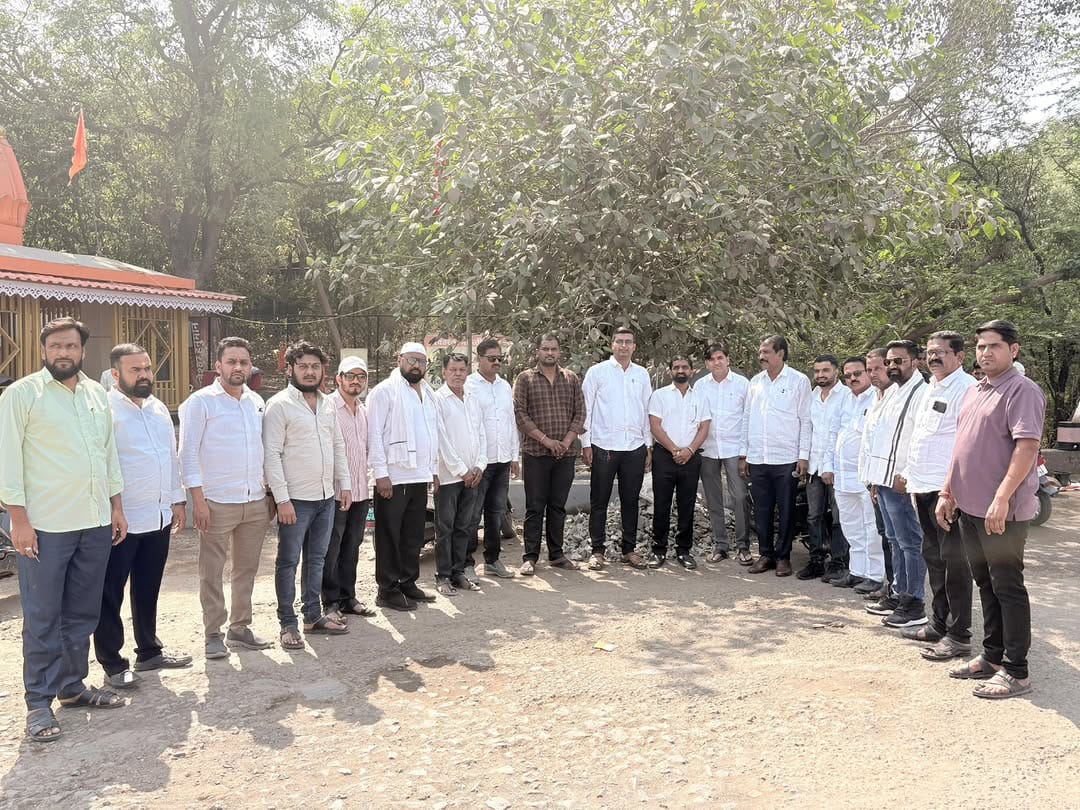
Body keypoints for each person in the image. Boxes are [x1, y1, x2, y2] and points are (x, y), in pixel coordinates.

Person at [0, 317, 128, 742]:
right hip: (45, 527)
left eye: (71, 346)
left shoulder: (96, 394)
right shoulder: (22, 395)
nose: (63, 353)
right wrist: (19, 520)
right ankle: (38, 703)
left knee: (82, 612)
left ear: (82, 350)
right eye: (55, 346)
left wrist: (116, 506)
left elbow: (107, 454)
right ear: (43, 351)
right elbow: (7, 461)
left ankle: (72, 687)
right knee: (42, 615)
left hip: (94, 522)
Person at [937, 320, 1044, 699]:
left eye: (994, 346)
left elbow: (1027, 448)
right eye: (981, 346)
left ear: (1013, 350)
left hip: (1002, 512)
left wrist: (1001, 497)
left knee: (1007, 586)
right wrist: (948, 491)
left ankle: (1017, 670)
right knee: (986, 583)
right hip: (970, 508)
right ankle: (993, 656)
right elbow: (961, 447)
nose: (985, 353)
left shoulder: (1022, 390)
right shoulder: (975, 390)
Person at [94, 344, 191, 691]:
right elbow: (101, 464)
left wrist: (177, 500)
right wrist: (113, 509)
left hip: (158, 514)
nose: (145, 375)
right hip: (122, 520)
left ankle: (149, 651)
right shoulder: (104, 410)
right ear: (115, 374)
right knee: (110, 593)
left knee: (148, 587)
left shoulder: (158, 408)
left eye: (147, 368)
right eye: (135, 370)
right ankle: (112, 663)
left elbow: (169, 456)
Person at [179, 336, 275, 659]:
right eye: (231, 361)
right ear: (218, 366)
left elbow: (263, 450)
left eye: (243, 362)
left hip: (254, 501)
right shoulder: (201, 402)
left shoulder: (256, 402)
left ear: (250, 367)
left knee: (246, 569)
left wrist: (268, 493)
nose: (238, 367)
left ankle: (240, 627)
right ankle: (212, 633)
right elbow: (187, 453)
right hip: (216, 502)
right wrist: (198, 501)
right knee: (212, 571)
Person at [264, 341, 352, 650]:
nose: (310, 372)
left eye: (315, 366)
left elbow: (337, 445)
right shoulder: (279, 405)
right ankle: (287, 624)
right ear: (290, 369)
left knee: (317, 559)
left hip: (325, 497)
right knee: (288, 561)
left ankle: (312, 616)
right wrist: (282, 499)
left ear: (323, 370)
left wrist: (344, 484)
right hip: (295, 501)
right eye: (303, 366)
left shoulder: (328, 404)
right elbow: (272, 455)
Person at [898, 332, 977, 660]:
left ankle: (959, 635)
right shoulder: (929, 387)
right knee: (935, 558)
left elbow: (966, 444)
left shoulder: (967, 389)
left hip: (948, 491)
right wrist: (910, 478)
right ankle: (938, 624)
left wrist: (952, 490)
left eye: (941, 352)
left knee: (955, 564)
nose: (934, 357)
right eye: (930, 352)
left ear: (959, 356)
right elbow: (920, 437)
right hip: (923, 487)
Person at [367, 342, 440, 610]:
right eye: (412, 360)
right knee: (389, 536)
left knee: (413, 534)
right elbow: (374, 435)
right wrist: (380, 474)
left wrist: (433, 471)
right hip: (393, 477)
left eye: (422, 361)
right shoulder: (384, 391)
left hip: (419, 475)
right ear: (400, 360)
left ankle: (408, 582)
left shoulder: (429, 393)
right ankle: (387, 590)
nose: (417, 366)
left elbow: (432, 434)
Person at [862, 340, 928, 628]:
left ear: (915, 361)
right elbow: (882, 440)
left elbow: (921, 440)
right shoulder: (894, 393)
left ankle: (914, 604)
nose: (892, 366)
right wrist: (875, 480)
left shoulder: (922, 393)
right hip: (885, 480)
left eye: (898, 361)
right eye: (889, 361)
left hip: (902, 481)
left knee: (910, 542)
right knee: (894, 540)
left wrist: (908, 475)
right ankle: (898, 593)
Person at [512, 334, 585, 575]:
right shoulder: (525, 379)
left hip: (565, 454)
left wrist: (565, 442)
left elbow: (580, 413)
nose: (550, 353)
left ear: (559, 351)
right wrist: (546, 440)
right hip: (535, 453)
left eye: (553, 348)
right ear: (538, 351)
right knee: (535, 507)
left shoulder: (571, 378)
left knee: (557, 506)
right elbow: (520, 414)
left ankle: (557, 555)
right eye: (545, 348)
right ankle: (530, 557)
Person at [581, 326, 651, 570]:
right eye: (619, 341)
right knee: (599, 500)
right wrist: (586, 443)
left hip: (634, 446)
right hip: (604, 446)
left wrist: (648, 444)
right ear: (612, 345)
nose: (623, 345)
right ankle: (597, 550)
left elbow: (646, 410)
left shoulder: (642, 374)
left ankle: (629, 550)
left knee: (630, 500)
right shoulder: (597, 372)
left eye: (628, 342)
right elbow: (586, 409)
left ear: (634, 347)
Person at [741, 335, 811, 577]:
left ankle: (783, 557)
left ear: (780, 354)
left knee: (787, 509)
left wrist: (803, 456)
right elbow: (747, 418)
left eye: (766, 352)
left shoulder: (798, 381)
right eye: (760, 352)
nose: (761, 356)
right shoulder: (756, 382)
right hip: (758, 457)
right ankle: (766, 555)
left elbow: (805, 420)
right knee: (762, 509)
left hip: (786, 458)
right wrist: (744, 454)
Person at [822, 357, 885, 593]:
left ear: (867, 373)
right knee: (851, 527)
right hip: (842, 476)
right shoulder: (844, 400)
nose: (852, 379)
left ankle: (875, 575)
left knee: (871, 528)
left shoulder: (878, 398)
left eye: (857, 373)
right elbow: (832, 434)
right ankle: (857, 571)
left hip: (865, 477)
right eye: (848, 375)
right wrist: (827, 465)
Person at [322, 356, 375, 620]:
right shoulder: (327, 407)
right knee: (331, 548)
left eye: (361, 377)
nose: (356, 381)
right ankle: (330, 601)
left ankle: (348, 597)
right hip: (335, 492)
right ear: (338, 379)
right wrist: (341, 485)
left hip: (361, 492)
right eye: (350, 376)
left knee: (352, 546)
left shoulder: (363, 411)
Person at [648, 356, 710, 569]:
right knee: (661, 504)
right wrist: (675, 450)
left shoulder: (700, 397)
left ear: (692, 371)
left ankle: (684, 551)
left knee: (687, 505)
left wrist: (689, 450)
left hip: (691, 457)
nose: (680, 370)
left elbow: (704, 427)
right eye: (676, 367)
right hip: (665, 456)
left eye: (684, 367)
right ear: (670, 371)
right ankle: (658, 550)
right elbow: (655, 426)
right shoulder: (660, 395)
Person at [464, 338, 519, 580]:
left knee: (496, 513)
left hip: (502, 460)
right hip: (479, 462)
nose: (497, 362)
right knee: (472, 514)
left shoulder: (504, 386)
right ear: (479, 359)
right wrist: (475, 461)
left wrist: (514, 456)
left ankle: (493, 561)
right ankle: (466, 563)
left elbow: (510, 422)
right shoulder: (469, 386)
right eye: (492, 358)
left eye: (499, 358)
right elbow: (469, 425)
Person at [433, 352, 488, 595]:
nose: (457, 374)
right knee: (445, 529)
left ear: (467, 372)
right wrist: (462, 470)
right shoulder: (438, 400)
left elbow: (481, 434)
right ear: (444, 372)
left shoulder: (473, 399)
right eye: (453, 370)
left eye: (462, 370)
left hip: (473, 476)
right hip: (449, 477)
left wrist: (480, 466)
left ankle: (458, 573)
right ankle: (443, 576)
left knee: (464, 526)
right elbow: (441, 440)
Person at [696, 343, 752, 564]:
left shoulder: (742, 384)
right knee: (713, 499)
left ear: (728, 359)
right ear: (707, 363)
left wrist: (745, 452)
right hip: (707, 448)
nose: (716, 362)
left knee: (740, 496)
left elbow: (748, 418)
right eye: (712, 359)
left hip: (734, 448)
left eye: (720, 357)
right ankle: (720, 545)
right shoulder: (700, 386)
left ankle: (743, 546)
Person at [800, 354, 851, 582]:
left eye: (825, 370)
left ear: (836, 372)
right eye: (817, 371)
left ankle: (839, 562)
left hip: (836, 467)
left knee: (839, 517)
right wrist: (803, 458)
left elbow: (838, 433)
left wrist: (830, 467)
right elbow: (806, 428)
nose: (820, 375)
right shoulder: (812, 396)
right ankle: (816, 561)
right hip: (814, 465)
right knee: (814, 516)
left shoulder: (846, 396)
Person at [860, 348, 894, 599]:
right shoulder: (875, 397)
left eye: (878, 368)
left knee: (899, 540)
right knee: (885, 535)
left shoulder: (898, 396)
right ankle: (890, 585)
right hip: (876, 479)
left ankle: (899, 591)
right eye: (869, 369)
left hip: (893, 481)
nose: (873, 374)